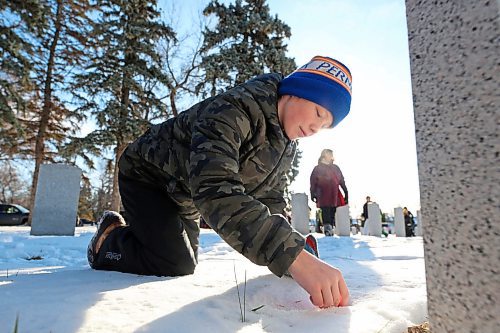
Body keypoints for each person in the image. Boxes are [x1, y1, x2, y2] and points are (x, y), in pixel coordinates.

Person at [87, 55, 352, 308]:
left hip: (184, 196)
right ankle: (107, 241)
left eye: (326, 124)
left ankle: (145, 232)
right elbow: (215, 189)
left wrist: (294, 251)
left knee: (183, 262)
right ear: (296, 91)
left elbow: (270, 199)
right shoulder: (235, 109)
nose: (317, 128)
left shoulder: (285, 146)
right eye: (318, 112)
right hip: (148, 177)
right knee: (172, 263)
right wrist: (293, 257)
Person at [310, 149, 348, 236]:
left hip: (334, 193)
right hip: (323, 193)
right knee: (325, 210)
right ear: (324, 155)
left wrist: (346, 191)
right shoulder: (318, 168)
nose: (331, 156)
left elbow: (341, 180)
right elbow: (313, 181)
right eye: (329, 154)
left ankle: (330, 227)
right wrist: (313, 192)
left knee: (332, 210)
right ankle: (327, 228)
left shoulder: (335, 168)